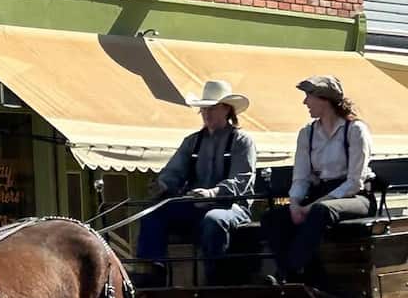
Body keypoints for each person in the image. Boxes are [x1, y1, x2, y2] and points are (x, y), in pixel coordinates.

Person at [135, 79, 257, 287]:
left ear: (227, 109)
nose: (206, 113)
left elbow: (242, 179)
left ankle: (214, 279)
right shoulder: (192, 142)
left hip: (231, 206)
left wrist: (212, 193)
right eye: (203, 109)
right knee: (153, 213)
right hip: (194, 205)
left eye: (212, 108)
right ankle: (155, 269)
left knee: (214, 220)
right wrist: (163, 184)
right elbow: (175, 170)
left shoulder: (242, 141)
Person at [260, 75, 373, 284]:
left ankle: (288, 273)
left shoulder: (355, 130)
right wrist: (295, 204)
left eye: (308, 96)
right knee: (272, 218)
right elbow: (301, 177)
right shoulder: (307, 132)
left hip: (355, 196)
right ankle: (304, 276)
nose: (305, 102)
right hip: (319, 193)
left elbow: (354, 181)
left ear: (324, 99)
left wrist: (312, 206)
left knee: (321, 211)